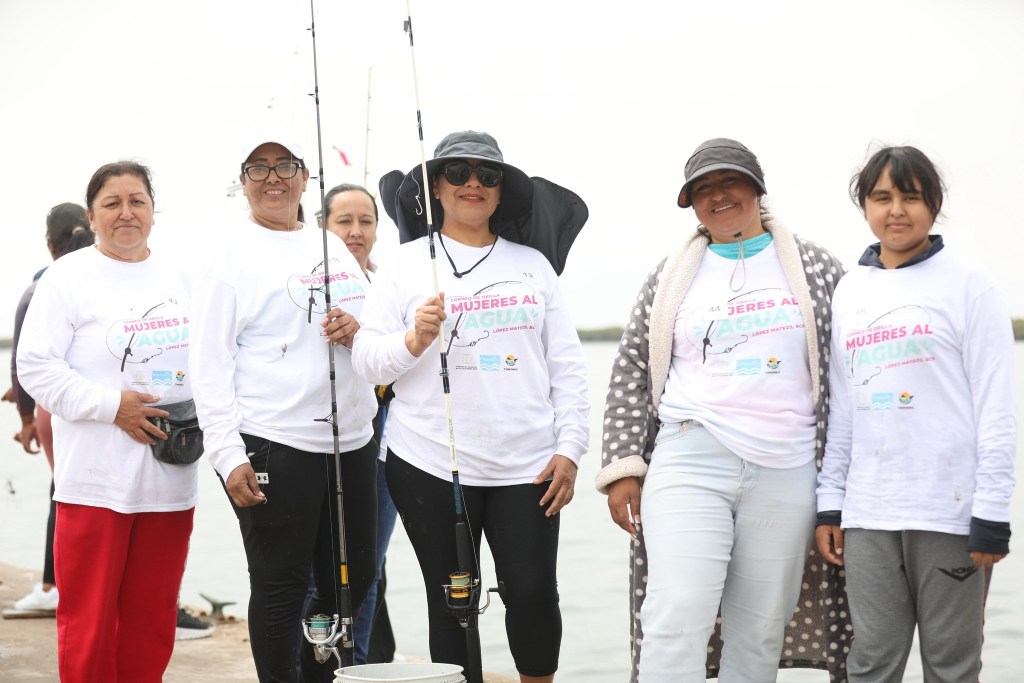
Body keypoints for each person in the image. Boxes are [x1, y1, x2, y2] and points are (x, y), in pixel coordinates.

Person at [595, 138, 850, 682]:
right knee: (676, 610)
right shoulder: (670, 276)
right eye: (702, 189)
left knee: (760, 627)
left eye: (729, 182)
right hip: (690, 452)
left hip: (788, 462)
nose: (718, 196)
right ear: (690, 204)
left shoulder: (818, 266)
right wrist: (622, 470)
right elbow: (632, 370)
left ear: (757, 188)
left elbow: (851, 369)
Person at [353, 130, 590, 683]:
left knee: (532, 593)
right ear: (436, 187)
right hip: (429, 461)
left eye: (487, 175)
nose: (473, 184)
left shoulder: (534, 265)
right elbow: (366, 360)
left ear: (503, 192)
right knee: (451, 601)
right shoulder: (405, 265)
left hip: (529, 464)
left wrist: (571, 449)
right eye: (457, 174)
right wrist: (412, 341)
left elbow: (568, 368)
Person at [816, 146, 1017, 682]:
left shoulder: (969, 283)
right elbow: (844, 408)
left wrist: (992, 511)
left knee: (951, 665)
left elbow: (997, 406)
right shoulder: (849, 290)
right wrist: (830, 506)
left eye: (912, 197)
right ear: (865, 206)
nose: (897, 210)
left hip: (949, 510)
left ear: (934, 205)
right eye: (882, 197)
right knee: (872, 663)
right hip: (868, 514)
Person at [189, 129, 378, 683]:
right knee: (280, 583)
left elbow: (376, 329)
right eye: (258, 168)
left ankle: (320, 677)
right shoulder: (228, 257)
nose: (273, 177)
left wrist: (359, 328)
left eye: (285, 165)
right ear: (242, 183)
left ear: (305, 177)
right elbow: (209, 365)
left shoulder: (333, 245)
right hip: (273, 441)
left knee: (354, 574)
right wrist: (227, 455)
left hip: (353, 442)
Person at [17, 161, 199, 682]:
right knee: (89, 625)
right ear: (93, 217)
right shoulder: (66, 278)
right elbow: (35, 366)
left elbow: (216, 362)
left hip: (169, 481)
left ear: (153, 212)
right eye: (112, 203)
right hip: (94, 485)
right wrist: (111, 406)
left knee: (152, 621)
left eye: (137, 201)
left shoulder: (183, 277)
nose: (126, 213)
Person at [321, 182, 398, 664]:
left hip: (385, 442)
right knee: (318, 573)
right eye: (342, 221)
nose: (354, 231)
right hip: (317, 443)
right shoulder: (307, 280)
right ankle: (313, 667)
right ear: (322, 227)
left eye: (365, 221)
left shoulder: (391, 286)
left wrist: (364, 338)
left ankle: (360, 669)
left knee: (369, 568)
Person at [5, 203, 93, 613]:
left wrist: (26, 420)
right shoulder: (101, 280)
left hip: (55, 412)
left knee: (66, 496)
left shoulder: (40, 287)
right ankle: (75, 587)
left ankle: (53, 585)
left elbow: (22, 363)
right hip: (109, 408)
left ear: (48, 242)